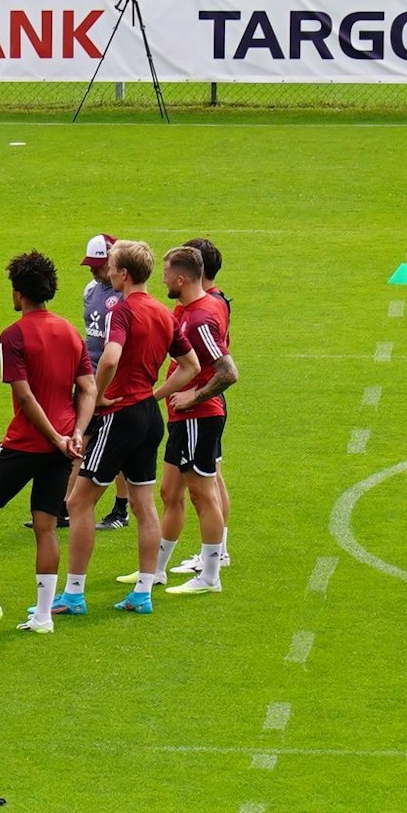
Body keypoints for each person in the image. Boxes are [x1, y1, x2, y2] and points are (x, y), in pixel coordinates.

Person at [0, 252, 95, 636]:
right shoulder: (69, 330)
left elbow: (26, 398)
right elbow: (88, 388)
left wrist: (54, 436)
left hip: (25, 443)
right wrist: (76, 434)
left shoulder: (12, 335)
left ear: (18, 293)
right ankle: (43, 617)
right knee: (46, 526)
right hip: (64, 444)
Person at [57, 241, 196, 617]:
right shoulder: (165, 314)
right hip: (149, 417)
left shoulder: (122, 310)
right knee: (143, 505)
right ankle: (143, 591)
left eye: (113, 268)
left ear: (123, 274)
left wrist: (97, 396)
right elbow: (190, 365)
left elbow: (111, 358)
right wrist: (156, 394)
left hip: (120, 414)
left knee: (78, 502)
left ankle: (73, 594)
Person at [155, 246, 239, 597]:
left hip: (197, 418)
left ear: (181, 278)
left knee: (203, 495)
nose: (162, 281)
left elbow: (228, 372)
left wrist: (194, 396)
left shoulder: (201, 317)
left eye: (165, 275)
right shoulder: (193, 307)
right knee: (169, 492)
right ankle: (155, 571)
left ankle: (209, 575)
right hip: (183, 418)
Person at [77, 233, 130, 531]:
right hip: (88, 376)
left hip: (112, 380)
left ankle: (120, 509)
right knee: (77, 439)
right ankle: (65, 506)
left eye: (99, 264)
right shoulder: (90, 289)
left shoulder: (125, 296)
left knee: (116, 447)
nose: (94, 270)